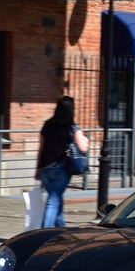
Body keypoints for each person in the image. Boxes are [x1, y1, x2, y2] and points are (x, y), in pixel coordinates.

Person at [35, 96, 89, 228]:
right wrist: (86, 140)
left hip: (45, 169)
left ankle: (61, 229)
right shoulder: (73, 127)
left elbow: (41, 148)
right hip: (61, 169)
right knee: (53, 200)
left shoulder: (47, 125)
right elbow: (83, 148)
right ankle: (44, 233)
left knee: (56, 197)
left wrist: (37, 170)